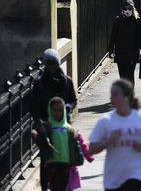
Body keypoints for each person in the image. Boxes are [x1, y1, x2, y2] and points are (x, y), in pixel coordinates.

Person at [88, 79, 141, 191]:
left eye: (115, 95)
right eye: (111, 95)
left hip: (137, 173)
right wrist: (108, 141)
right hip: (113, 178)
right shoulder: (105, 121)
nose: (111, 98)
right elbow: (91, 149)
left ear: (127, 97)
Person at [30, 48, 77, 191]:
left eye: (53, 64)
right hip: (46, 128)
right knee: (46, 161)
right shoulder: (40, 83)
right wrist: (39, 122)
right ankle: (45, 187)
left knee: (63, 159)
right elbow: (34, 106)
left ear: (58, 64)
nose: (51, 67)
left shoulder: (67, 82)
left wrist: (68, 107)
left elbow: (73, 99)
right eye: (48, 64)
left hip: (62, 127)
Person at [36, 97, 76, 191]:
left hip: (65, 162)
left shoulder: (68, 127)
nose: (57, 113)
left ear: (64, 112)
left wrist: (74, 160)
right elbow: (41, 143)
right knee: (55, 186)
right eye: (54, 110)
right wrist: (41, 133)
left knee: (64, 186)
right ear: (50, 111)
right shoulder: (47, 125)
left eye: (60, 110)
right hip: (52, 162)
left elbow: (73, 144)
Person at [108, 0, 140, 86]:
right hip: (120, 53)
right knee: (122, 76)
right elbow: (113, 36)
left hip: (132, 53)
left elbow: (140, 36)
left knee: (130, 75)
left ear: (133, 9)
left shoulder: (137, 21)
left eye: (129, 9)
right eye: (125, 9)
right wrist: (110, 50)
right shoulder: (118, 21)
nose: (127, 11)